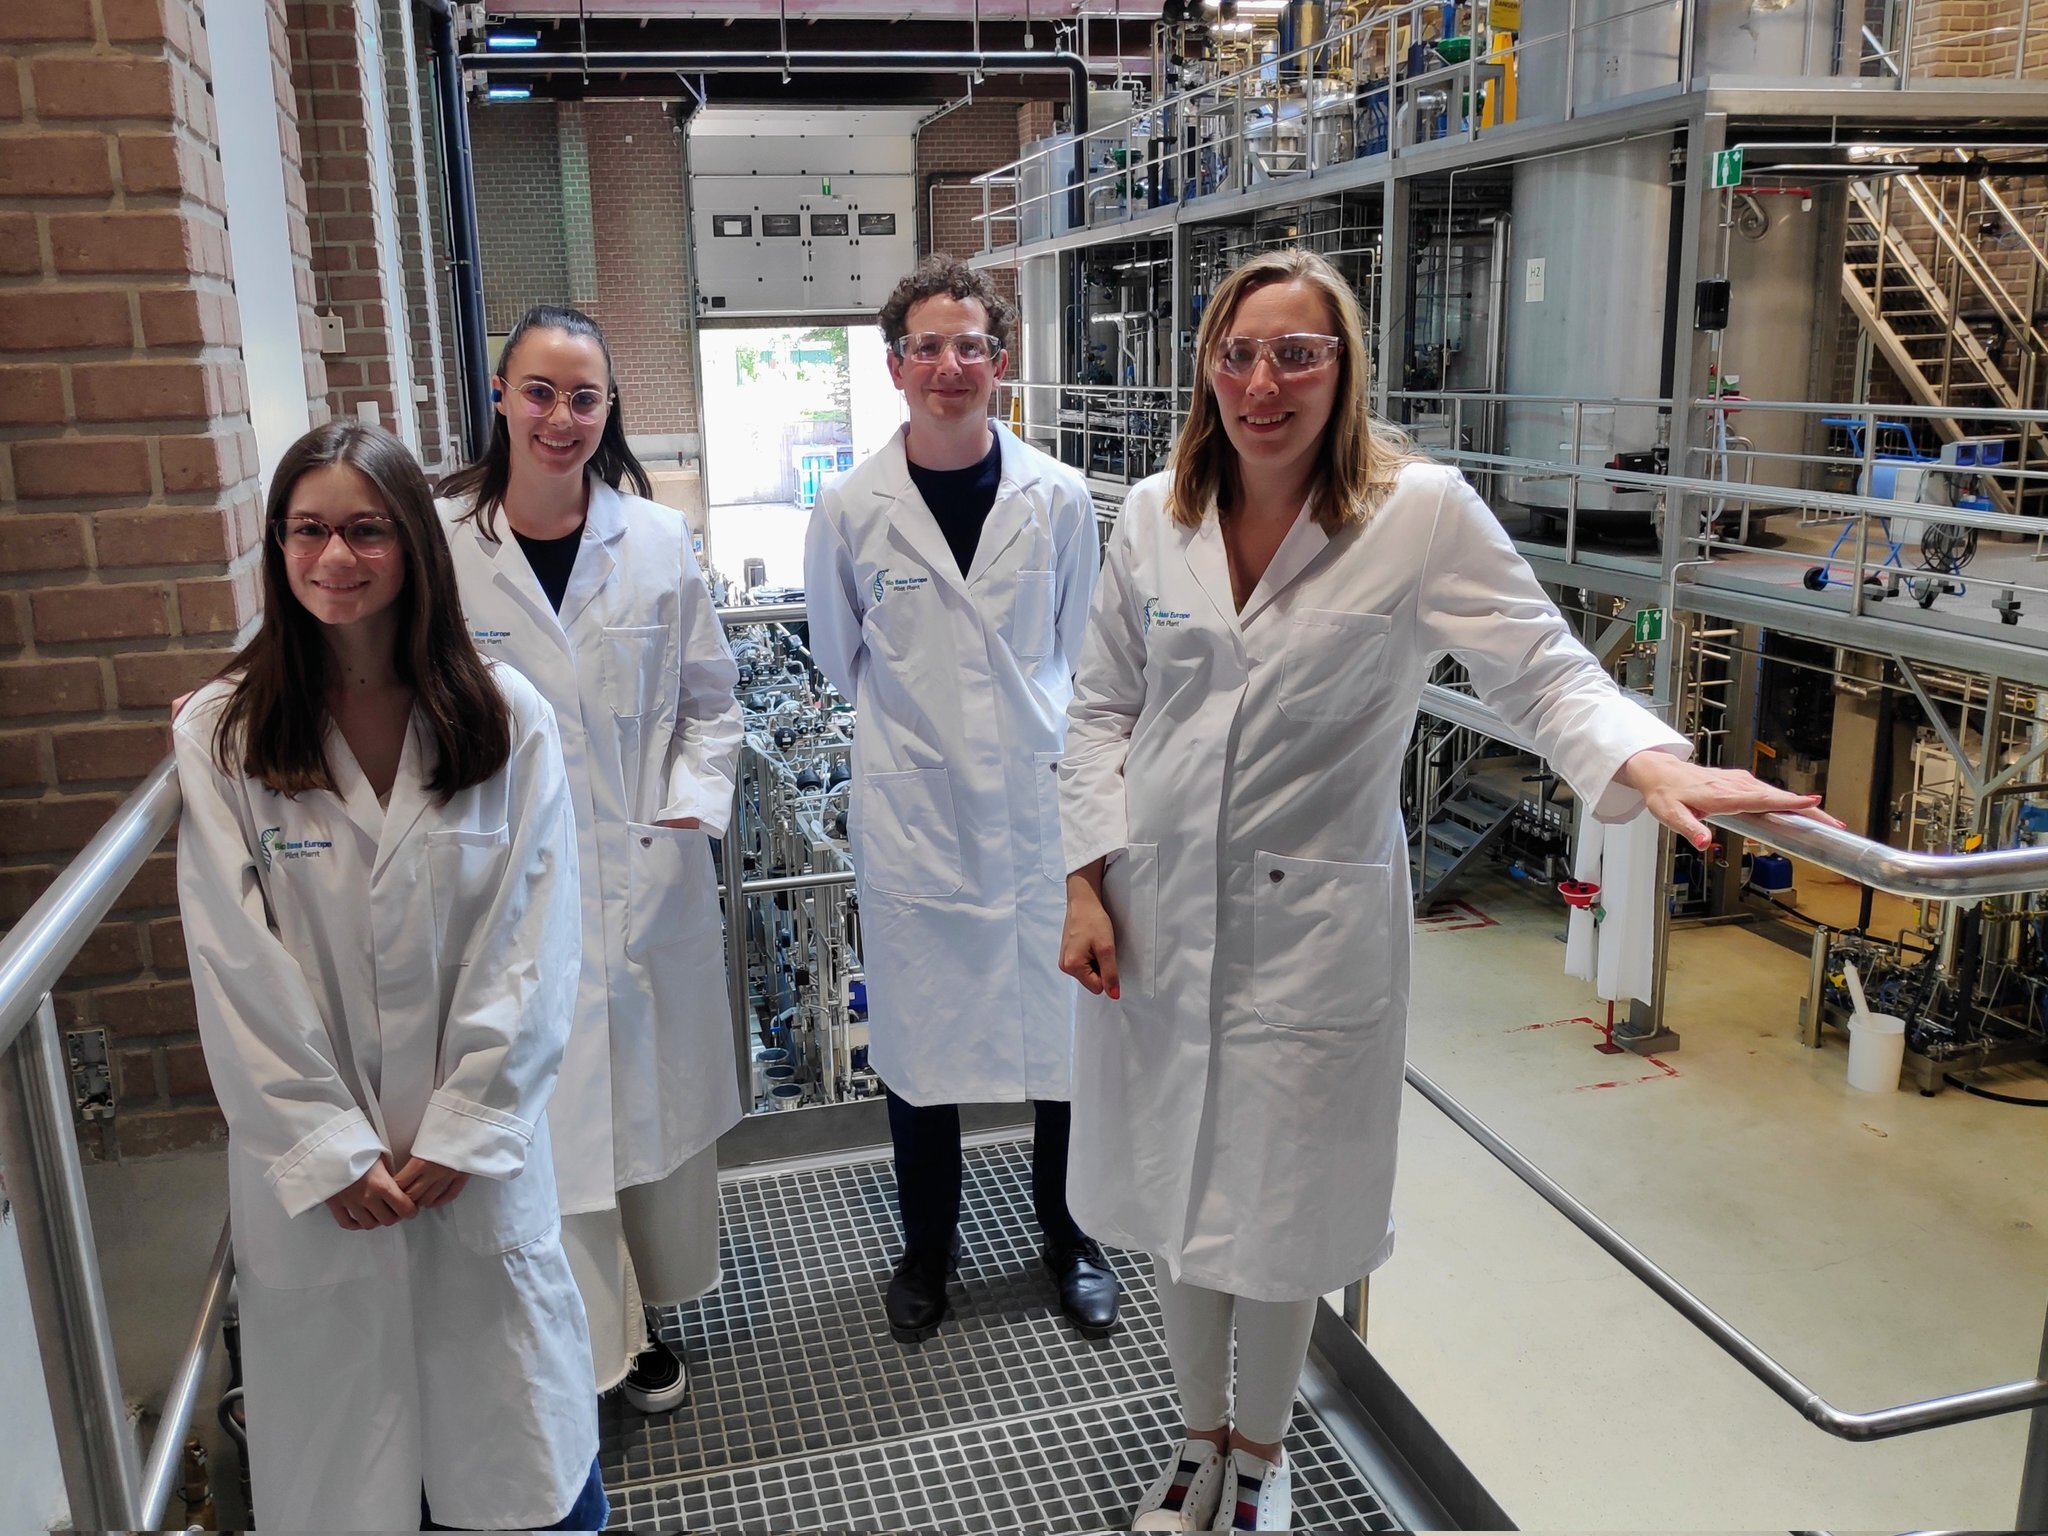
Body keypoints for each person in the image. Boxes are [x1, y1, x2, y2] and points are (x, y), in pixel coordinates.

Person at [1056, 248, 1839, 1533]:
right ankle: (1194, 1441)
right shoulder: (1154, 514)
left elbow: (1538, 666)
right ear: (1206, 368)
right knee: (1173, 1197)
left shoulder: (1415, 512)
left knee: (1281, 1212)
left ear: (1342, 369)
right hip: (1157, 913)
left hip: (1311, 933)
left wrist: (1643, 758)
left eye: (1295, 354)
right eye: (1238, 354)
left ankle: (1260, 1456)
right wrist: (1085, 883)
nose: (1263, 384)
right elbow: (1099, 709)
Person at [173, 421, 603, 1531]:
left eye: (367, 530)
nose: (335, 557)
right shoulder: (222, 734)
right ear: (276, 545)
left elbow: (536, 935)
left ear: (413, 542)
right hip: (322, 1188)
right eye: (307, 530)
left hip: (469, 1167)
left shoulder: (505, 717)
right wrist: (323, 1145)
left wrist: (468, 1124)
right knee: (347, 1476)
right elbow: (233, 962)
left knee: (517, 1460)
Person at [802, 256, 1116, 1343]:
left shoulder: (1058, 497)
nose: (949, 366)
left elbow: (1079, 656)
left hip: (1040, 811)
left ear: (1001, 361)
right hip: (917, 818)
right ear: (894, 366)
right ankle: (926, 1250)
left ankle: (1071, 1238)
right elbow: (839, 656)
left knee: (1064, 1041)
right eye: (926, 347)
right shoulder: (850, 507)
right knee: (920, 1045)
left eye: (969, 346)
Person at [438, 304, 744, 1413]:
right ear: (500, 397)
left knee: (642, 1129)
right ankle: (575, 1347)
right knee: (538, 1128)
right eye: (539, 392)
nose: (560, 417)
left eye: (584, 397)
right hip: (497, 887)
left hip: (640, 883)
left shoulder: (654, 540)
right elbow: (341, 642)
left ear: (608, 410)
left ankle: (644, 1321)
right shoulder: (441, 543)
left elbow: (713, 704)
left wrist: (689, 812)